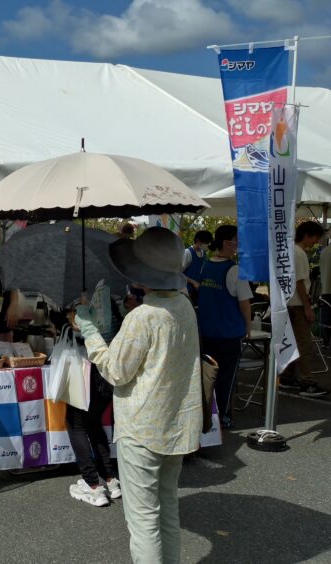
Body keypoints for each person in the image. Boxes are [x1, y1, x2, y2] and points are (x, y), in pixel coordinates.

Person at [74, 227, 201, 564]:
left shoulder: (142, 316)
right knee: (167, 510)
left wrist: (88, 327)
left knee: (143, 520)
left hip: (142, 429)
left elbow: (115, 371)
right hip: (176, 425)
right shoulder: (185, 306)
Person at [65, 300, 124, 507]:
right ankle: (110, 479)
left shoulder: (87, 310)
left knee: (76, 424)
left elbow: (82, 335)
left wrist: (78, 316)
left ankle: (92, 485)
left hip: (91, 371)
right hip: (109, 377)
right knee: (94, 423)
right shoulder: (109, 302)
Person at [196, 225, 252, 429]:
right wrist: (248, 327)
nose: (239, 244)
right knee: (226, 378)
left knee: (207, 376)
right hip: (229, 333)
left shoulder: (205, 265)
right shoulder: (235, 270)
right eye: (237, 240)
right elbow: (245, 304)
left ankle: (206, 415)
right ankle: (223, 416)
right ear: (228, 243)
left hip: (207, 332)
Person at [281, 221, 328, 397]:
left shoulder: (289, 250)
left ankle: (287, 377)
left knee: (292, 343)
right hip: (298, 305)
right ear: (307, 235)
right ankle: (306, 382)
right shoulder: (299, 253)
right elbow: (299, 282)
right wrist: (308, 307)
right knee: (304, 344)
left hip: (288, 304)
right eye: (315, 238)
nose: (315, 242)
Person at [182, 230, 213, 302]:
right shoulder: (187, 253)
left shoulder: (203, 253)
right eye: (206, 243)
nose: (207, 245)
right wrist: (193, 282)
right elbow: (177, 273)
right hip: (186, 291)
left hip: (197, 291)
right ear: (198, 240)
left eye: (208, 243)